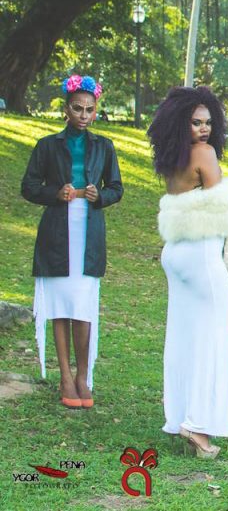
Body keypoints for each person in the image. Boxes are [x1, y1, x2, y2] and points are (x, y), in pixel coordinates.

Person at [150, 86, 228, 459]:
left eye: (208, 123)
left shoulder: (171, 157)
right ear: (182, 122)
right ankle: (199, 427)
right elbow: (227, 211)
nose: (204, 131)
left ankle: (180, 416)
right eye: (196, 123)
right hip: (201, 258)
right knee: (214, 341)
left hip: (176, 254)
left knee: (183, 339)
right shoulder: (204, 155)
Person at [22, 75, 122, 409]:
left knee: (82, 306)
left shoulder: (103, 146)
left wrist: (99, 195)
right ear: (66, 109)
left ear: (96, 111)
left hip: (89, 230)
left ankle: (83, 375)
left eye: (89, 110)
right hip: (56, 231)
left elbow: (116, 188)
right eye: (77, 108)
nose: (83, 114)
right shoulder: (47, 146)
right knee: (60, 306)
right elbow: (29, 186)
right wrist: (55, 193)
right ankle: (64, 375)